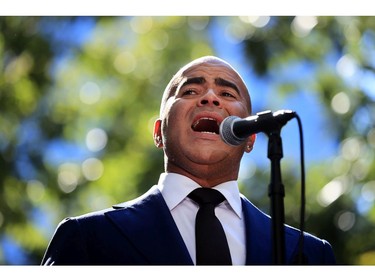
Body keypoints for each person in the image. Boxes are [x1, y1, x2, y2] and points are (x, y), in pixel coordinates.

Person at [41, 56, 336, 265]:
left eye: (226, 92)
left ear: (250, 138)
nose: (210, 98)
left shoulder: (309, 255)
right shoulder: (88, 238)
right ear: (159, 132)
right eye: (190, 90)